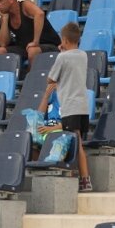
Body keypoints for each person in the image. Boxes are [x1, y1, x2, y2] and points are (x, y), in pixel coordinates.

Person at [38, 22, 92, 192]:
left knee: (75, 144)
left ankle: (83, 179)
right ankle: (83, 178)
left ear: (65, 40)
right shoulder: (83, 55)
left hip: (70, 106)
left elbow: (50, 79)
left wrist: (61, 53)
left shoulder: (62, 57)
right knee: (78, 142)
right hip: (83, 107)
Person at [0, 0, 60, 67]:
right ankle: (8, 76)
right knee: (0, 51)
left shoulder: (25, 5)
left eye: (0, 1)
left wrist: (35, 41)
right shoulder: (6, 15)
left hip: (49, 44)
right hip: (25, 47)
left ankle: (32, 75)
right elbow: (3, 43)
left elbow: (40, 14)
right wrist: (4, 19)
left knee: (32, 50)